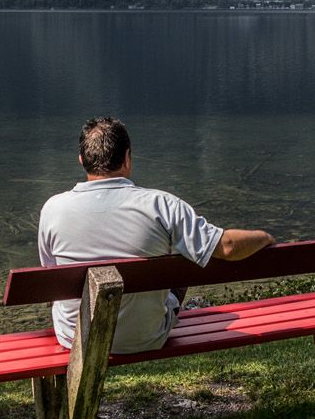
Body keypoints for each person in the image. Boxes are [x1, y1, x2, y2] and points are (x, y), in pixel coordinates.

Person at [38, 116, 274, 353]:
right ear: (127, 158)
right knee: (181, 261)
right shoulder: (162, 205)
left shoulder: (52, 209)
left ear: (81, 160)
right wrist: (264, 237)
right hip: (144, 337)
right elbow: (228, 247)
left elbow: (51, 275)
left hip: (76, 337)